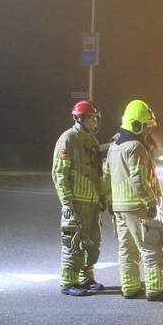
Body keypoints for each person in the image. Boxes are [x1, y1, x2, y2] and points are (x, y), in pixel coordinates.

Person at [104, 99, 163, 301]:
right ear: (136, 124)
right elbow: (138, 180)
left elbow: (106, 177)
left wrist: (109, 200)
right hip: (137, 205)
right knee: (151, 248)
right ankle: (156, 290)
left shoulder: (114, 145)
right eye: (146, 126)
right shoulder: (136, 147)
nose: (148, 131)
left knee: (127, 248)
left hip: (119, 206)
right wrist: (151, 203)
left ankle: (130, 288)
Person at [52, 99, 108, 297]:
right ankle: (68, 282)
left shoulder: (91, 141)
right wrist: (66, 201)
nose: (96, 123)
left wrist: (102, 198)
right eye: (93, 119)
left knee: (92, 242)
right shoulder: (67, 139)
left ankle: (86, 278)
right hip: (76, 203)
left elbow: (97, 173)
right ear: (82, 118)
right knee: (73, 243)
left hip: (92, 203)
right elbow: (59, 173)